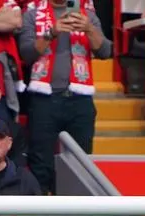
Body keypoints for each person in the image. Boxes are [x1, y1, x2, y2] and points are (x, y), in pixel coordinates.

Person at [18, 0, 111, 191]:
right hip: (44, 100)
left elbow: (105, 51)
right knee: (41, 164)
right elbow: (26, 54)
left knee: (81, 162)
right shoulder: (33, 14)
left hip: (80, 100)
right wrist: (51, 32)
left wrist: (89, 28)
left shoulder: (87, 15)